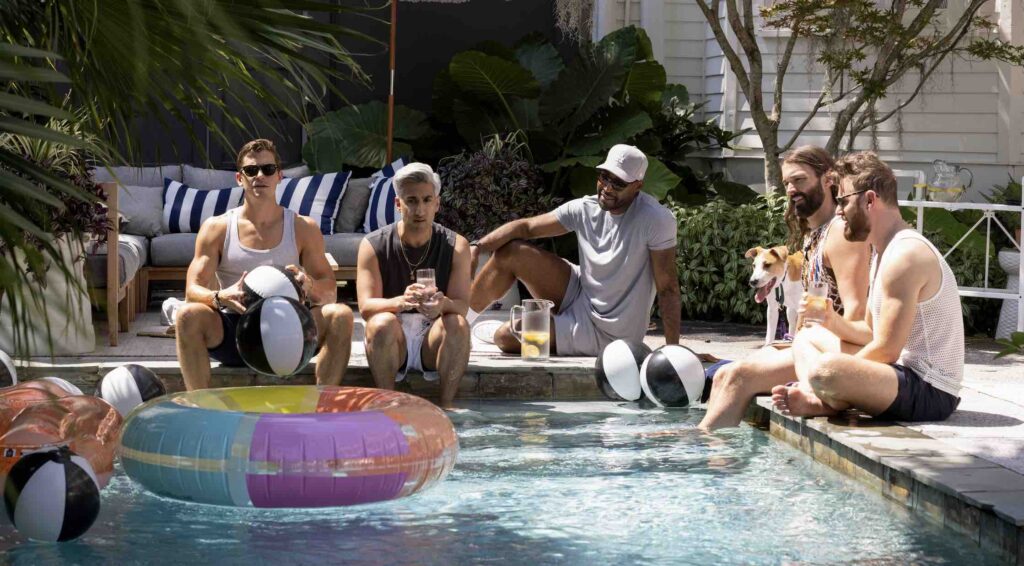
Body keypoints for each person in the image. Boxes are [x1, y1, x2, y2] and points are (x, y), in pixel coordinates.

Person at [772, 151, 963, 422]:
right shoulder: (884, 250)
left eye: (843, 201)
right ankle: (824, 397)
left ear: (870, 200)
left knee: (826, 369)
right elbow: (871, 333)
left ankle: (821, 396)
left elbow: (886, 350)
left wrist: (840, 373)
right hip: (899, 375)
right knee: (807, 337)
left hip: (929, 389)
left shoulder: (905, 254)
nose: (838, 211)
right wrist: (831, 320)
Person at [700, 146, 871, 431]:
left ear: (828, 179)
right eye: (787, 183)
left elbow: (856, 314)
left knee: (737, 377)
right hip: (809, 346)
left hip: (835, 353)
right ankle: (710, 443)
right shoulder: (815, 234)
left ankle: (702, 444)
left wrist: (819, 357)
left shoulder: (840, 234)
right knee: (722, 373)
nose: (791, 189)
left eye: (800, 180)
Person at [468, 144, 680, 356]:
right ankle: (460, 323)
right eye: (604, 177)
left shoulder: (656, 220)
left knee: (504, 337)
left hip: (607, 333)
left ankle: (531, 328)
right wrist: (478, 247)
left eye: (618, 183)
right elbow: (526, 227)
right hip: (579, 292)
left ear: (637, 186)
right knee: (512, 253)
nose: (607, 188)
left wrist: (674, 353)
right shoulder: (585, 208)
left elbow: (667, 289)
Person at [175, 139, 354, 390]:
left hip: (291, 331)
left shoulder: (303, 228)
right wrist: (219, 297)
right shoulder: (216, 228)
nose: (259, 176)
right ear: (240, 178)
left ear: (279, 176)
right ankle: (200, 406)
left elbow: (330, 291)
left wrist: (309, 285)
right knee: (187, 315)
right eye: (251, 170)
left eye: (268, 169)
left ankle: (323, 402)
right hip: (236, 330)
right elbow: (191, 291)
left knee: (341, 315)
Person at [356, 163, 472, 408]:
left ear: (437, 204)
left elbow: (461, 306)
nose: (420, 209)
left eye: (427, 200)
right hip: (393, 333)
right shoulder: (373, 244)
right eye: (411, 200)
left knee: (458, 324)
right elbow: (366, 307)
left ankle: (447, 407)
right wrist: (400, 302)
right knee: (380, 323)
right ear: (398, 204)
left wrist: (442, 304)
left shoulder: (457, 245)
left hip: (433, 335)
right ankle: (386, 405)